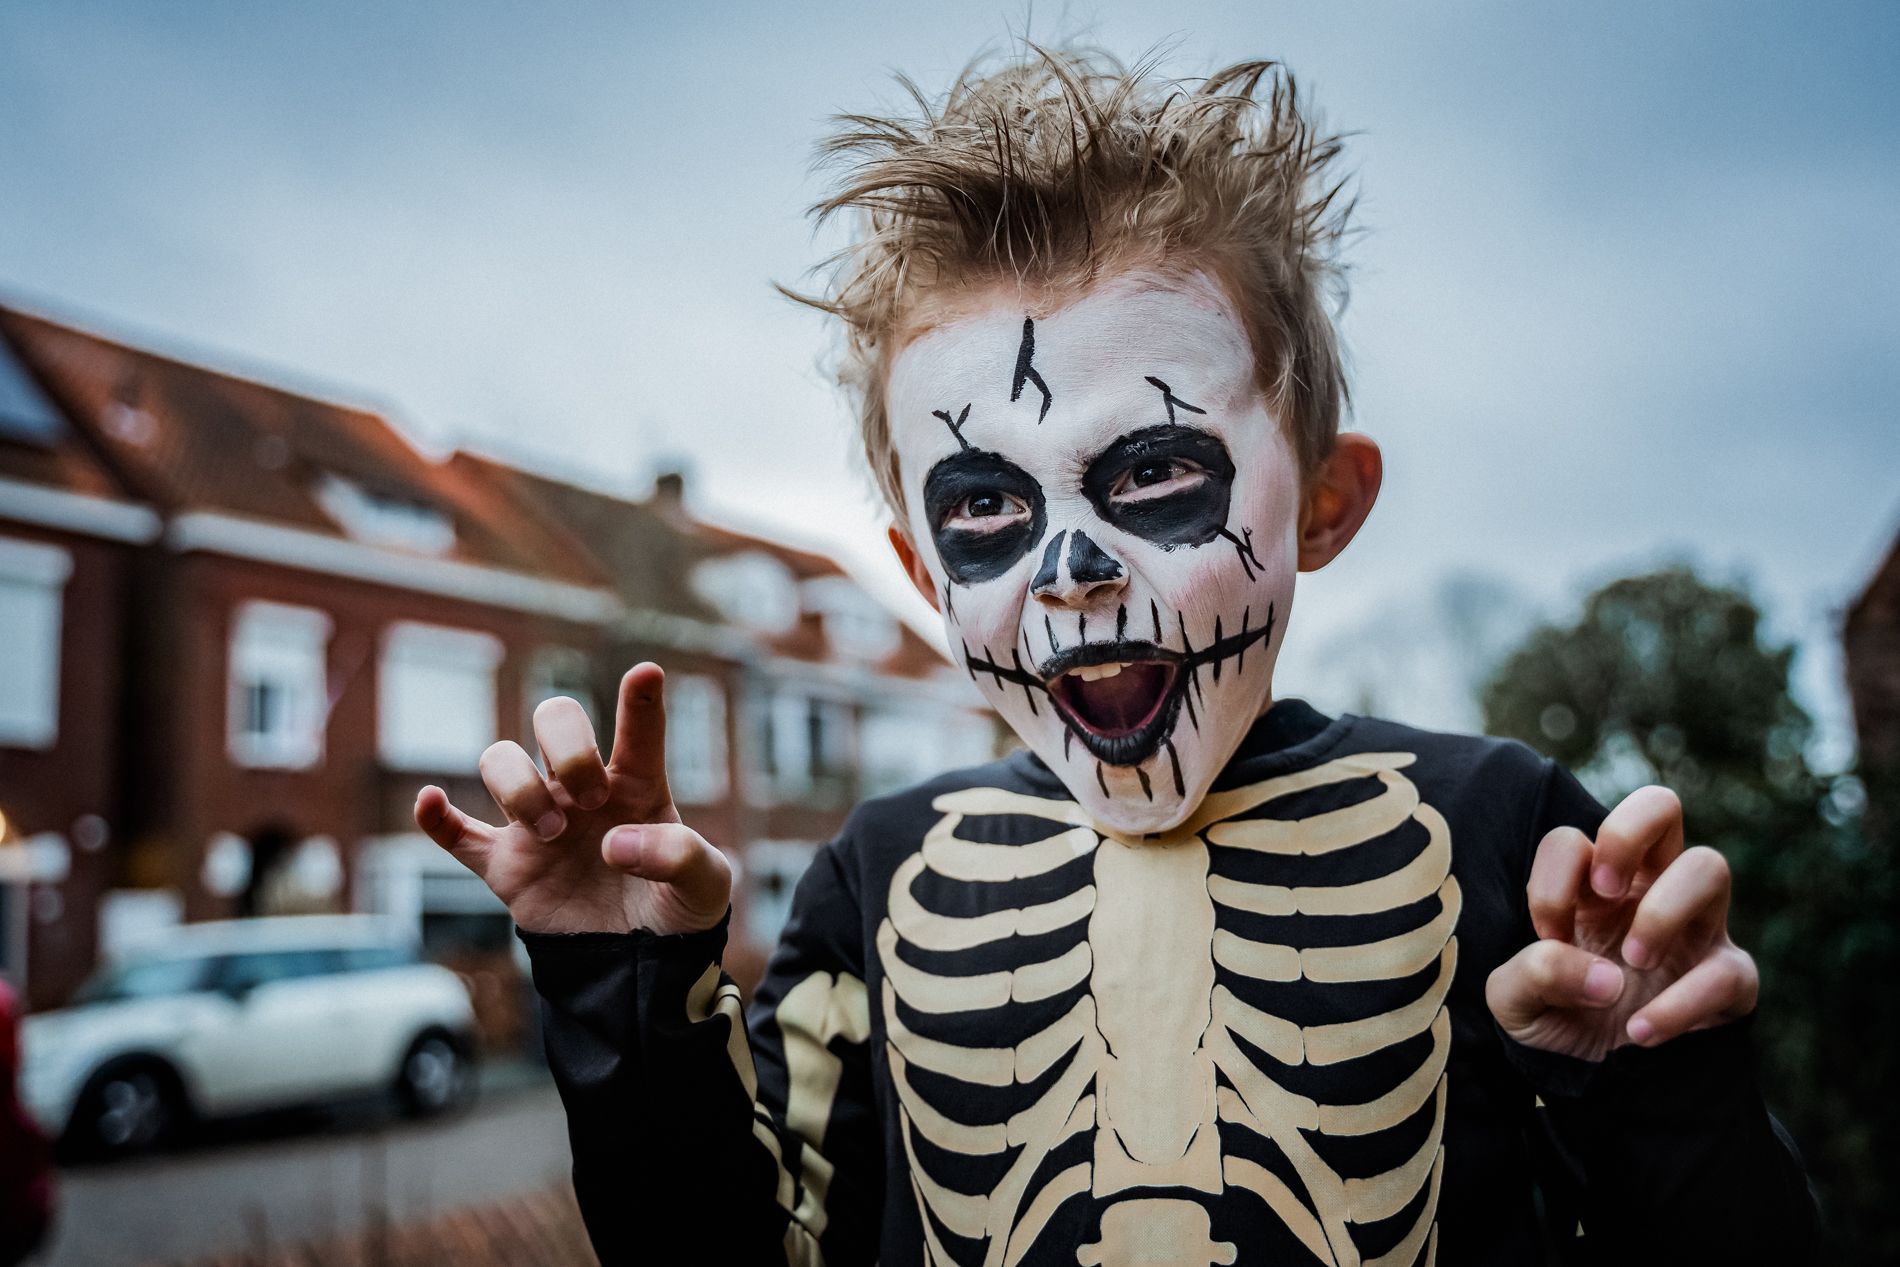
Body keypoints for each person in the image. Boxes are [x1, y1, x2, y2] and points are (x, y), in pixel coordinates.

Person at [414, 48, 1817, 1266]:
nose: (1071, 572)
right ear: (920, 571)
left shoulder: (1506, 831)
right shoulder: (877, 876)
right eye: (984, 508)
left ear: (1324, 500)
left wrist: (1651, 1083)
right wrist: (617, 983)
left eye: (1151, 474)